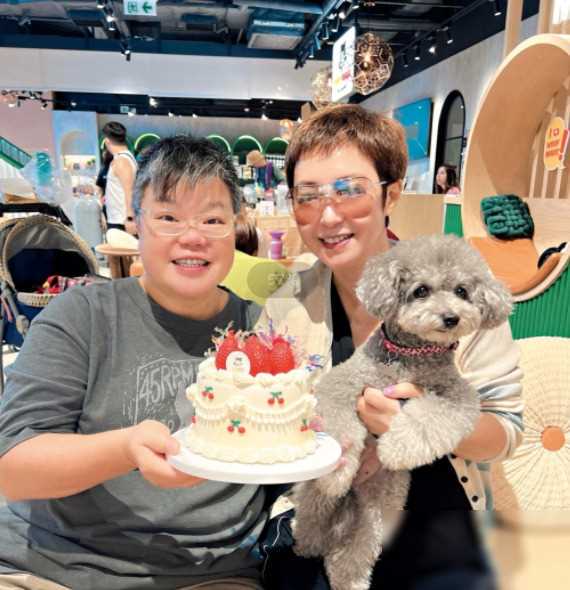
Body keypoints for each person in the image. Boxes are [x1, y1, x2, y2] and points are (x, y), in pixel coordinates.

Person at [259, 104, 523, 590]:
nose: (328, 215)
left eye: (349, 190)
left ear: (391, 193)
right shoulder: (287, 302)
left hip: (440, 517)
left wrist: (418, 423)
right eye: (308, 197)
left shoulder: (459, 293)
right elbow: (268, 416)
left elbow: (505, 432)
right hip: (327, 510)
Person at [0, 137, 271, 590]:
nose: (193, 236)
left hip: (208, 575)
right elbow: (13, 470)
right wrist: (125, 449)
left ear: (235, 229)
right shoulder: (83, 316)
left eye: (212, 219)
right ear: (135, 222)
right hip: (50, 567)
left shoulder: (264, 332)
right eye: (168, 218)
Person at [102, 121, 138, 234]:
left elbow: (130, 191)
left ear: (107, 141)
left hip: (122, 222)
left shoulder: (122, 161)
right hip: (117, 220)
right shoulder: (121, 158)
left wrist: (130, 219)